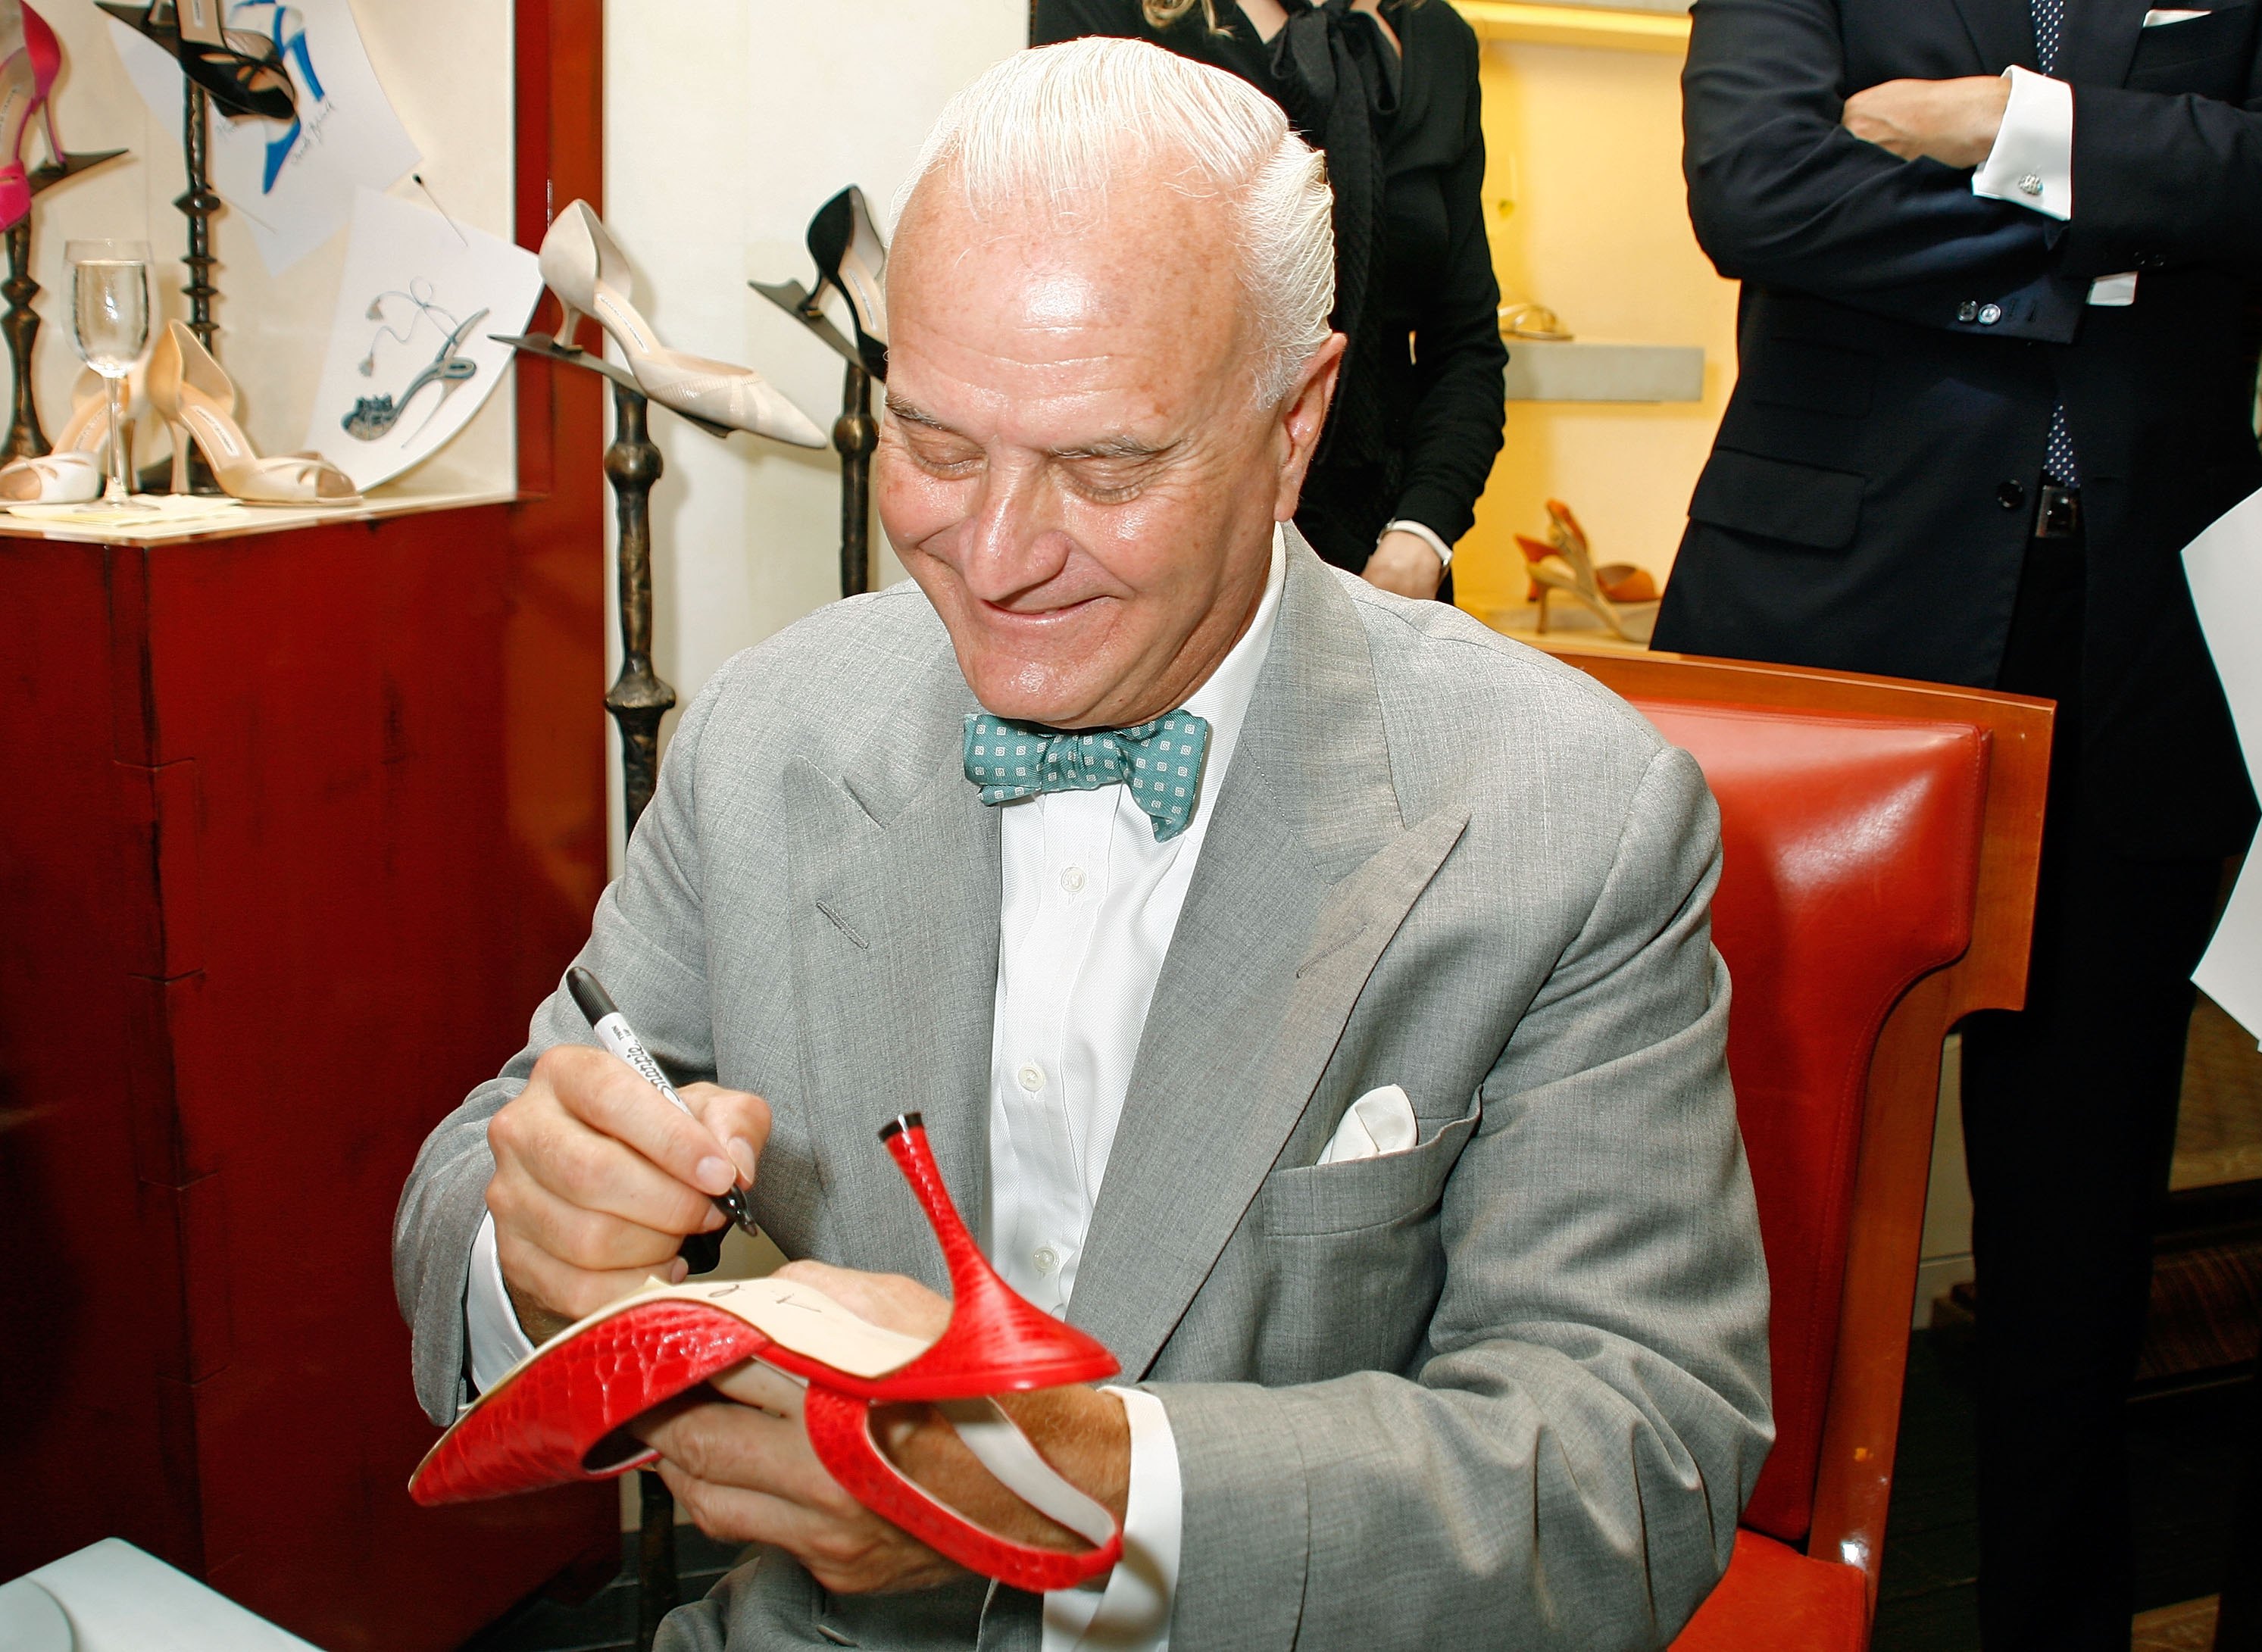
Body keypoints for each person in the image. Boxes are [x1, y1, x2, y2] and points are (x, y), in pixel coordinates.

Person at [395, 39, 1770, 1651]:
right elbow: (471, 1191)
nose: (990, 558)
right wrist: (538, 1242)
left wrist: (1078, 1488)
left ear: (1295, 425)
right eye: (937, 444)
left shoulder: (1568, 816)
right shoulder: (772, 736)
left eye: (1108, 468)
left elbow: (1634, 1465)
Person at [1655, 5, 2262, 1646]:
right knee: (1736, 1202)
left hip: (2146, 645)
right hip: (1828, 631)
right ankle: (1696, 1602)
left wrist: (2018, 128)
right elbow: (1758, 189)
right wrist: (2111, 241)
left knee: (2080, 1247)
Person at [1032, 0, 1507, 604]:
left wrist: (1423, 534)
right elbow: (1074, 318)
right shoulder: (1109, 12)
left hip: (1386, 565)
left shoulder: (1436, 39)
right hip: (1166, 542)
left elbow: (1466, 344)